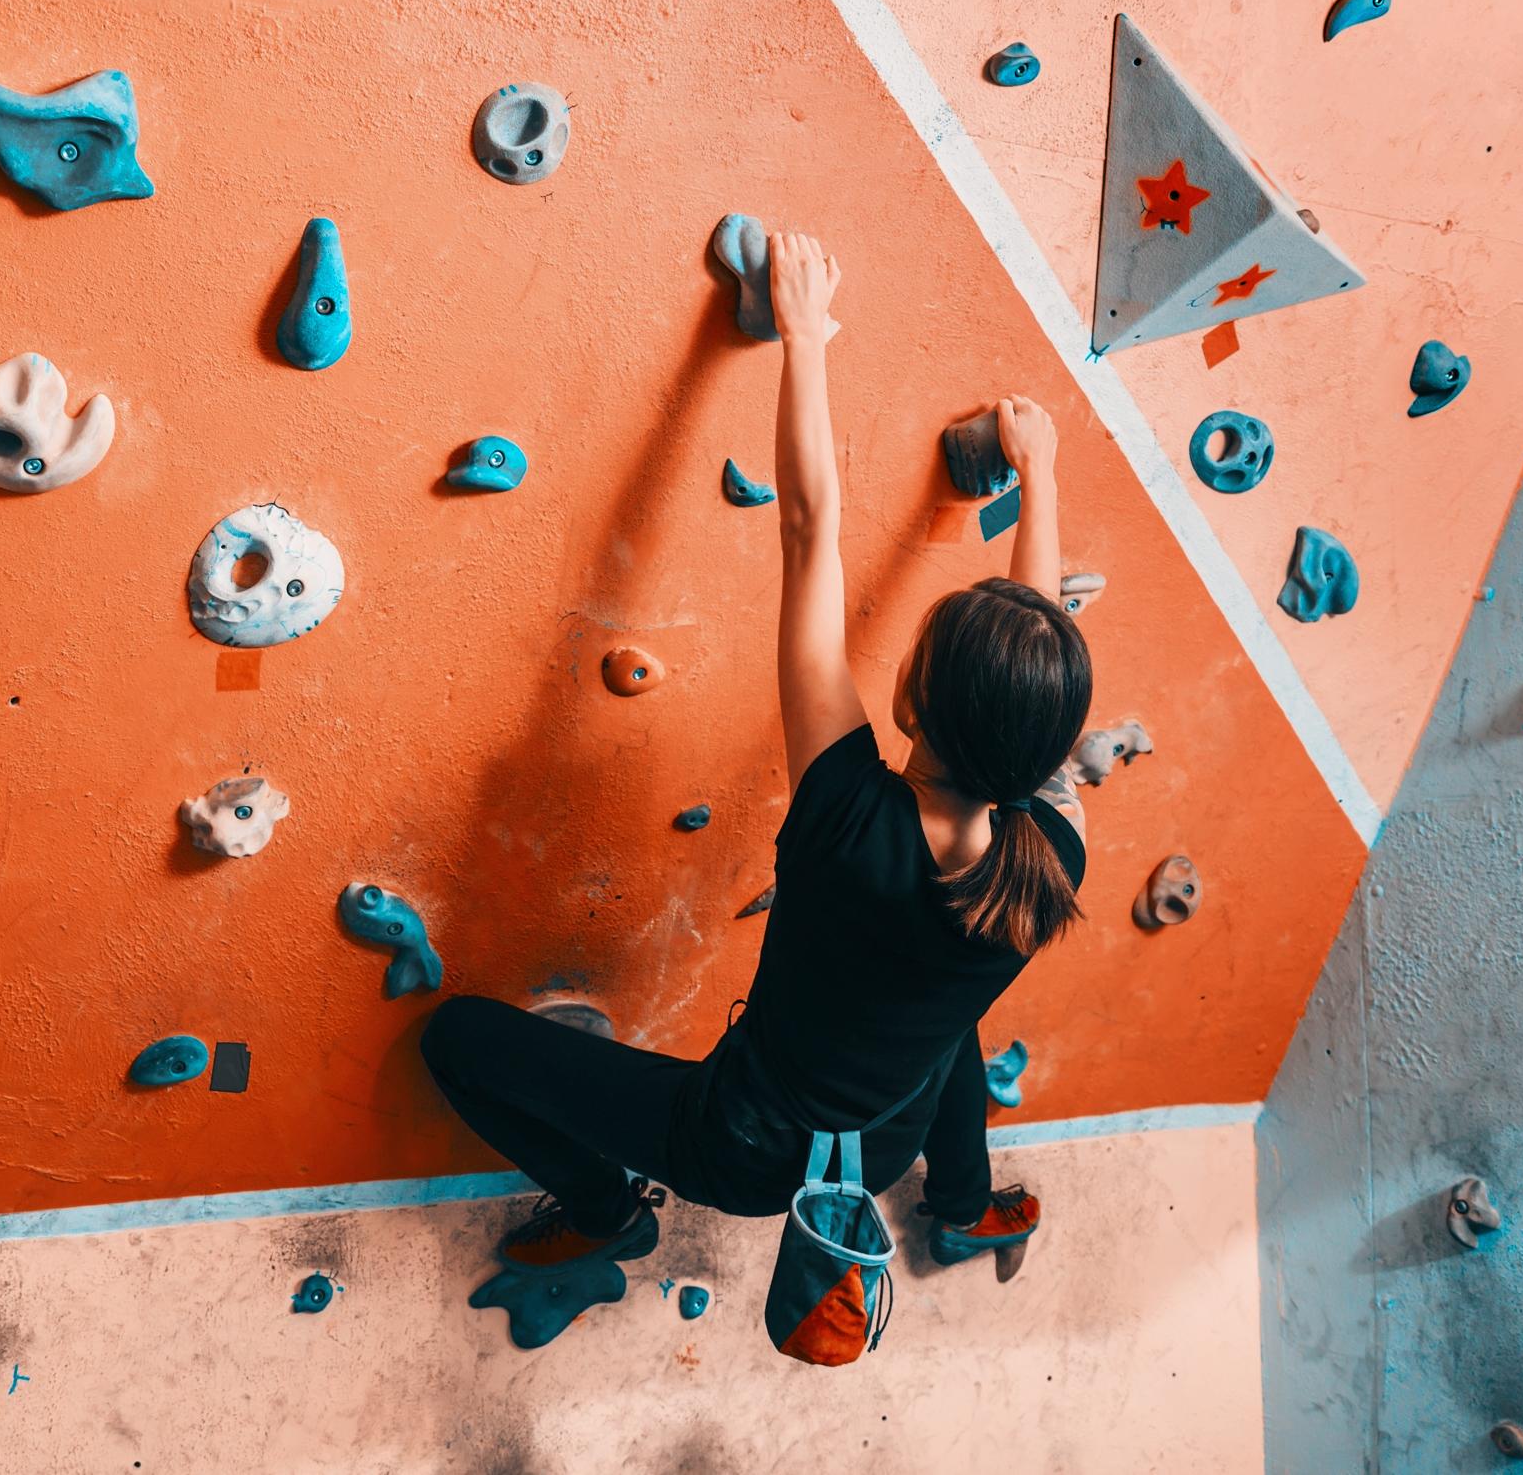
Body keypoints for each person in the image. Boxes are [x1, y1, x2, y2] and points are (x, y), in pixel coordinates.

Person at [421, 229, 1092, 1277]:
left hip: (734, 1146)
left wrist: (805, 336)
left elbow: (807, 530)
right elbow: (1030, 668)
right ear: (1049, 747)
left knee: (457, 1041)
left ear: (907, 703)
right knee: (944, 1002)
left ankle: (607, 1212)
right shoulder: (1048, 854)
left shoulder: (847, 816)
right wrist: (1037, 476)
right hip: (886, 1139)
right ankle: (959, 1203)